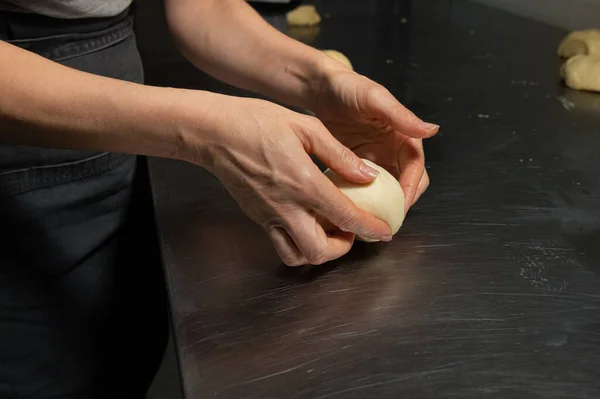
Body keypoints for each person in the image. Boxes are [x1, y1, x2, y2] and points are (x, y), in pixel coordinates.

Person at [0, 0, 438, 397]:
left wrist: (323, 82)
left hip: (115, 116)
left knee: (116, 359)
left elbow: (204, 7)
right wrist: (201, 131)